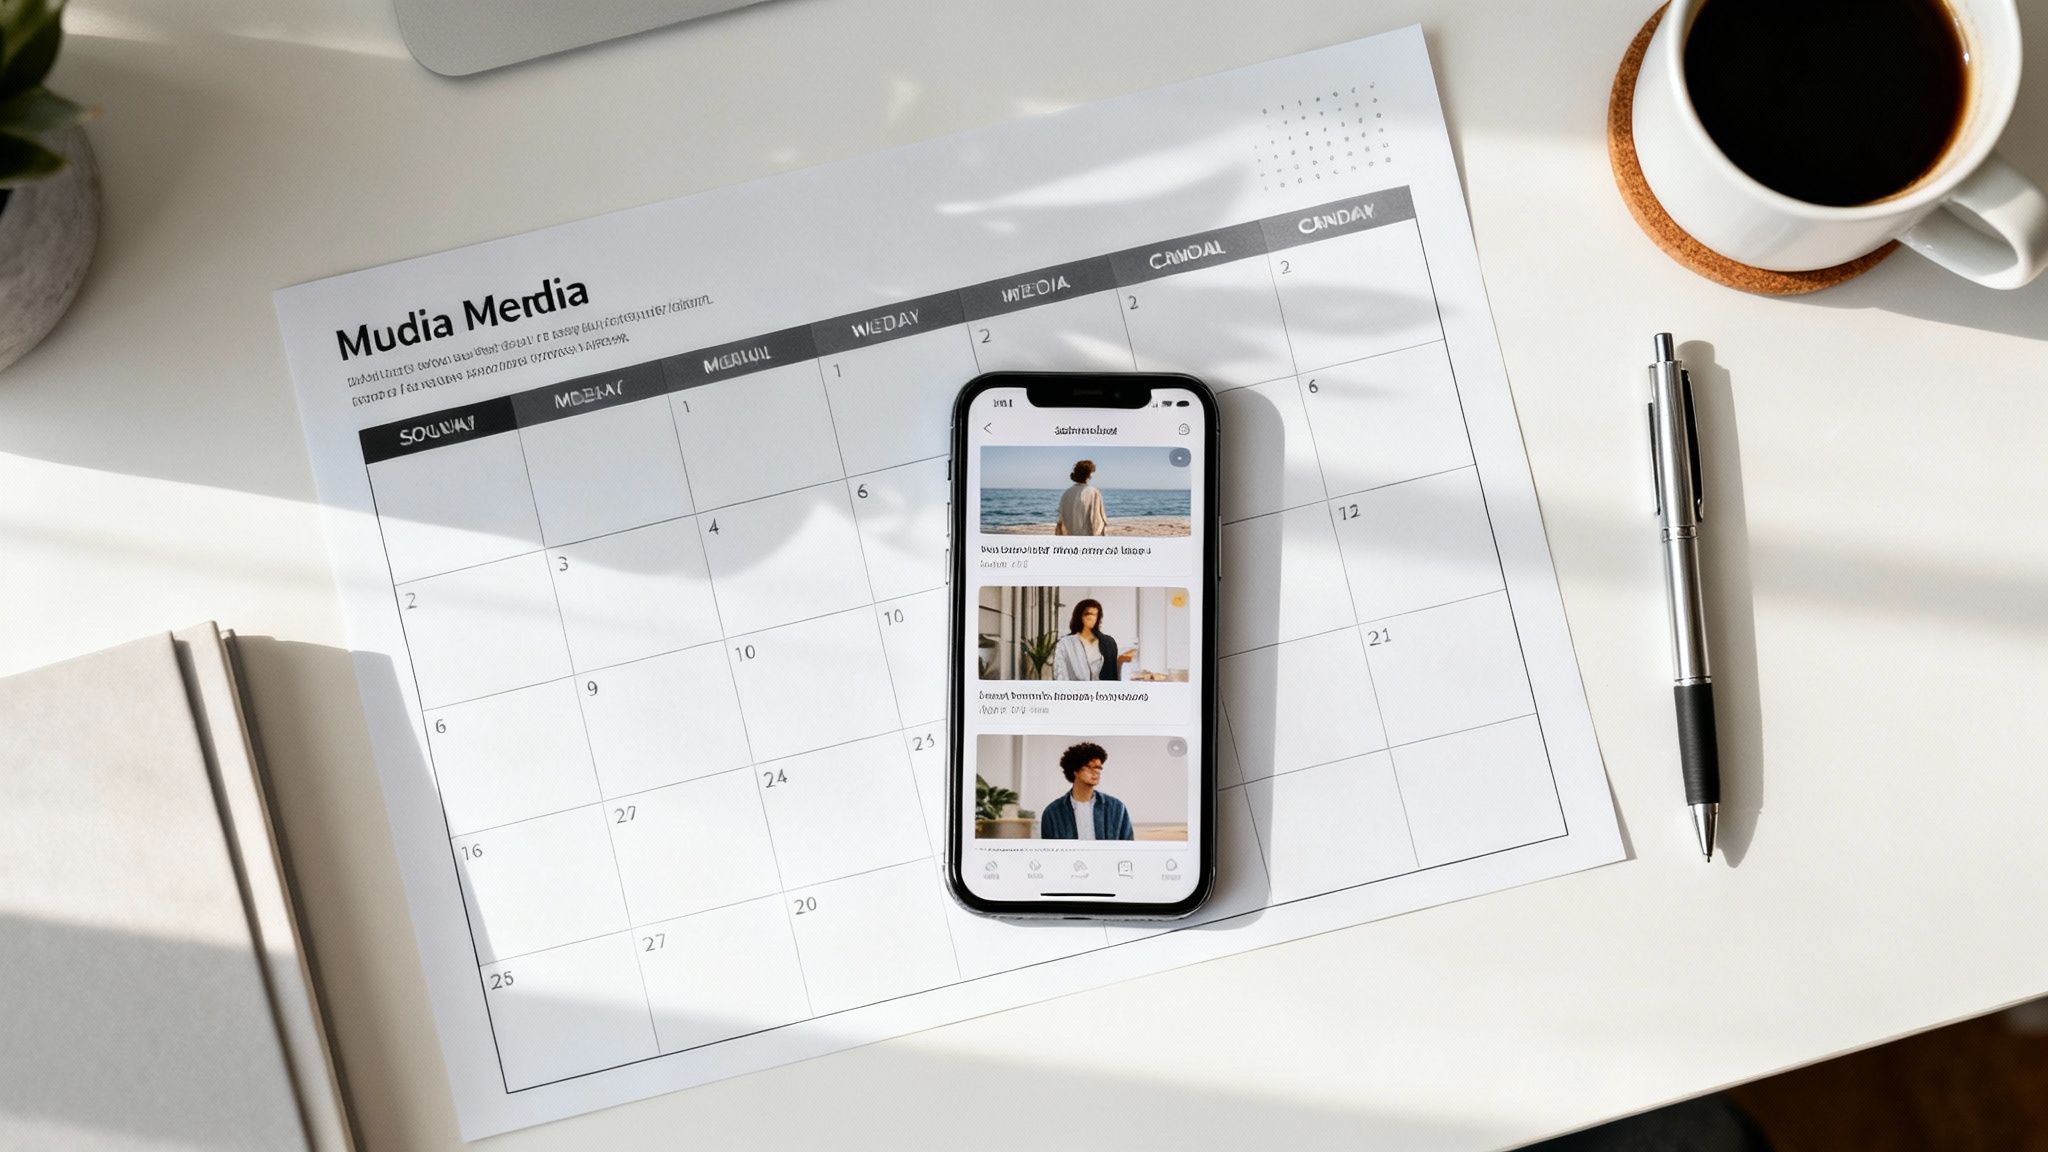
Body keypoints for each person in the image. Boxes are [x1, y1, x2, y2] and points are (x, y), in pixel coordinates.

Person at [1038, 741, 1134, 841]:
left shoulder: (1117, 809)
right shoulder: (1052, 813)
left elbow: (1128, 847)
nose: (1096, 772)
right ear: (1075, 770)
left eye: (1098, 768)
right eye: (1090, 767)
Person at [1052, 598, 1138, 681]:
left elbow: (1113, 672)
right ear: (1079, 616)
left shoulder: (1108, 642)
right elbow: (1060, 673)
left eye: (1095, 614)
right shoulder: (1065, 643)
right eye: (1088, 614)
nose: (1091, 618)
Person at [1055, 459, 1108, 536]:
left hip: (1070, 538)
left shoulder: (1066, 493)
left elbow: (1061, 520)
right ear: (1089, 475)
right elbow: (1097, 521)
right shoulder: (1094, 492)